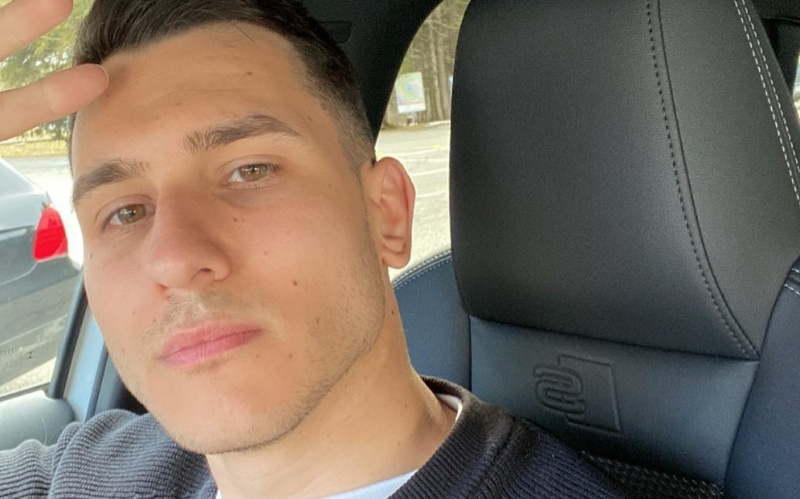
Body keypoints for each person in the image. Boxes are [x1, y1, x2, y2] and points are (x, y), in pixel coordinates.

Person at [0, 0, 622, 497]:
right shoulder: (84, 472)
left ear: (387, 213)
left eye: (249, 171)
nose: (174, 259)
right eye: (126, 212)